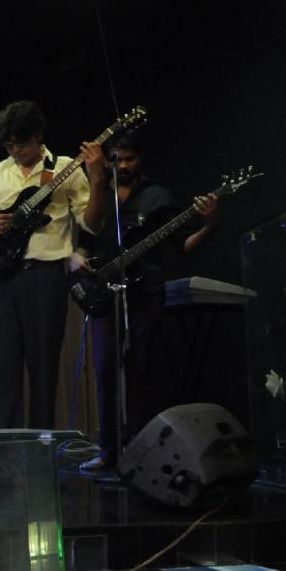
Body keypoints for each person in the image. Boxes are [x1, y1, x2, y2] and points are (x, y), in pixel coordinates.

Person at [0, 100, 109, 430]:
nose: (15, 151)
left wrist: (96, 180)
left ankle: (41, 445)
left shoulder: (64, 168)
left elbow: (93, 225)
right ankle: (2, 448)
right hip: (2, 279)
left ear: (37, 136)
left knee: (44, 368)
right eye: (9, 145)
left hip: (45, 278)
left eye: (21, 144)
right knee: (1, 371)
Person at [71, 129, 219, 468]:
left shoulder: (158, 196)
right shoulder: (97, 193)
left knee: (141, 370)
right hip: (104, 293)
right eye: (116, 160)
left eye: (130, 159)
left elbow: (183, 245)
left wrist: (211, 224)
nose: (123, 166)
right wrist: (76, 257)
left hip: (146, 291)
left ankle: (142, 452)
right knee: (105, 369)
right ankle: (108, 451)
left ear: (141, 159)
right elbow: (84, 240)